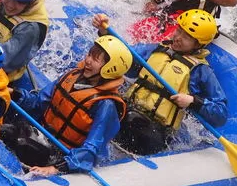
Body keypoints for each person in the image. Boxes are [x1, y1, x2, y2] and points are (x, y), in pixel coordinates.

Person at [94, 9, 227, 155]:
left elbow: (220, 113)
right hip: (127, 111)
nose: (178, 37)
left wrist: (193, 101)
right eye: (179, 30)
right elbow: (124, 56)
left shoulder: (200, 71)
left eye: (186, 36)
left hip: (154, 131)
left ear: (198, 45)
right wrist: (104, 33)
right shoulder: (155, 50)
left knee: (133, 126)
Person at [6, 35, 132, 176]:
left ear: (111, 69)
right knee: (8, 131)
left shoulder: (105, 104)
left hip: (62, 155)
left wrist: (56, 168)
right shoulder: (72, 77)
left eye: (95, 59)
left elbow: (91, 149)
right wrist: (14, 93)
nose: (88, 60)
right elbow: (38, 101)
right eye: (89, 54)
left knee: (21, 142)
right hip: (44, 136)